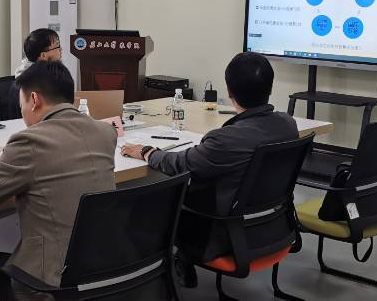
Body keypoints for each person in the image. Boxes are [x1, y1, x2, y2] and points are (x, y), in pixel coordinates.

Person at [121, 52, 298, 284]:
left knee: (145, 201)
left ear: (230, 91)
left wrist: (147, 152)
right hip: (272, 228)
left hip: (222, 234)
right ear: (270, 88)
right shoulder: (288, 124)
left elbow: (180, 164)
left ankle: (149, 281)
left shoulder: (227, 140)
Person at [0, 61, 116, 301]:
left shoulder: (29, 141)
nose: (22, 111)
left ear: (34, 99)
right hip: (104, 268)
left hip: (51, 282)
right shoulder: (105, 132)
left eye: (21, 104)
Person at [8, 28, 62, 118]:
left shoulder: (43, 75)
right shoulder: (35, 84)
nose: (61, 49)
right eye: (57, 46)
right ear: (43, 55)